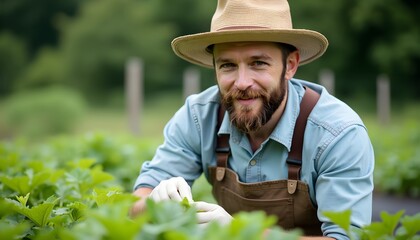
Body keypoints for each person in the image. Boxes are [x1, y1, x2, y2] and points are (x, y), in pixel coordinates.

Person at [131, 0, 374, 239]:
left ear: (290, 65)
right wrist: (153, 201)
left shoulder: (337, 133)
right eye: (228, 65)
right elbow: (134, 205)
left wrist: (242, 233)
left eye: (258, 63)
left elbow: (345, 237)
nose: (242, 82)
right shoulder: (198, 117)